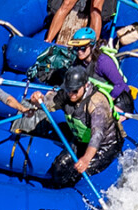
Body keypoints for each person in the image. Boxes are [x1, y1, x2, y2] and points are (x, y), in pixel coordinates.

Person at [41, 60, 125, 189]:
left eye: (75, 91)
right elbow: (48, 104)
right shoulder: (67, 93)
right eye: (69, 90)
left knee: (74, 173)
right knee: (59, 166)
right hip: (81, 139)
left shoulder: (97, 104)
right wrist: (38, 100)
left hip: (106, 145)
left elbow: (97, 135)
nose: (71, 94)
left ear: (85, 85)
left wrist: (86, 159)